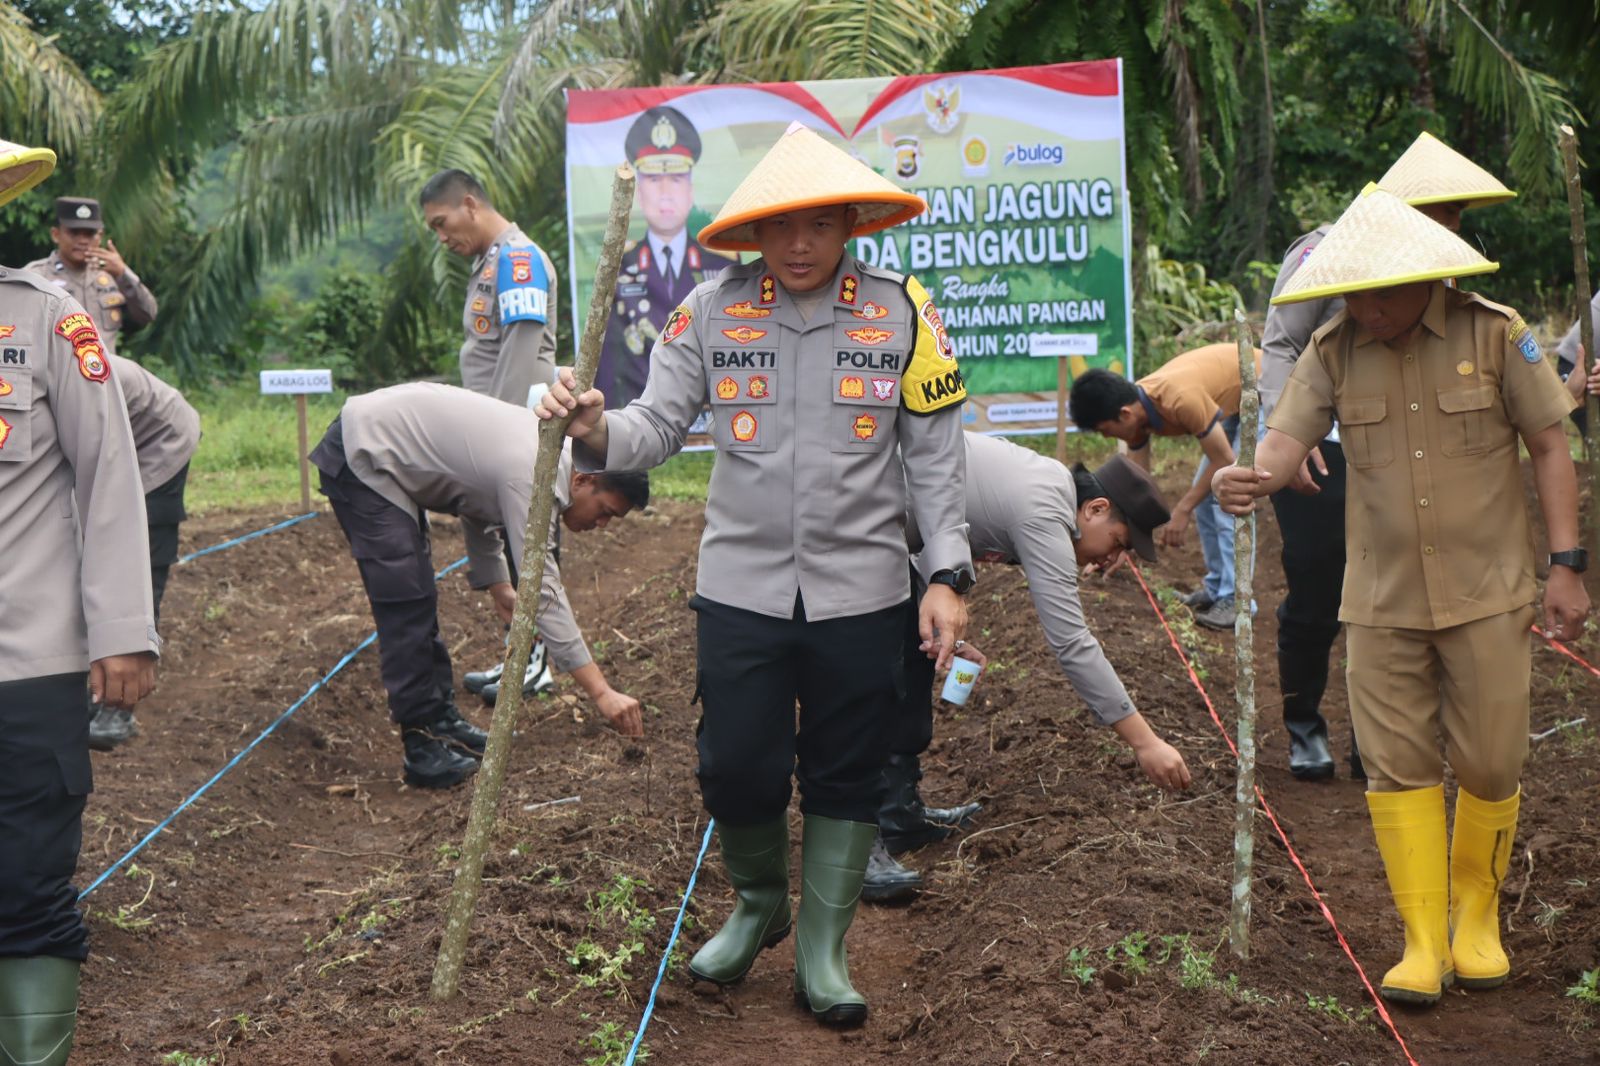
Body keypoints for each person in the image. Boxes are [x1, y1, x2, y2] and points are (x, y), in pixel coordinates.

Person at [537, 122, 970, 1027]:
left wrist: (945, 575)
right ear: (755, 235)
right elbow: (654, 427)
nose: (800, 245)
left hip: (864, 591)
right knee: (735, 764)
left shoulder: (904, 313)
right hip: (741, 587)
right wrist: (591, 427)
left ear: (851, 222)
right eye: (782, 228)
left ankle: (823, 945)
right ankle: (758, 900)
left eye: (819, 225)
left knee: (849, 770)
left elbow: (934, 458)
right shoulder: (709, 312)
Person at [1213, 186, 1588, 1008]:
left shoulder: (1496, 334)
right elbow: (1286, 437)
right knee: (1395, 769)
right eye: (1350, 292)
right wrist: (1252, 476)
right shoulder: (1336, 348)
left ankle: (1476, 917)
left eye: (1378, 293)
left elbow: (1551, 446)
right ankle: (1423, 940)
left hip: (1488, 593)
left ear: (1426, 277)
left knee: (1492, 761)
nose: (1364, 308)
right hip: (1379, 600)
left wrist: (1566, 563)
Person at [1259, 130, 1517, 782]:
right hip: (1323, 451)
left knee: (1395, 598)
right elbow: (1282, 343)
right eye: (1446, 213)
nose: (1455, 226)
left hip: (1407, 455)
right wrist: (1296, 433)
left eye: (1460, 215)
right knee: (1318, 587)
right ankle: (1305, 726)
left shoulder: (1444, 267)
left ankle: (1374, 740)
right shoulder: (1322, 250)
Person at [865, 441, 1193, 901]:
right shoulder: (1045, 512)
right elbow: (1071, 642)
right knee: (875, 683)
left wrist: (946, 630)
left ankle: (899, 815)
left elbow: (931, 542)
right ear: (1095, 509)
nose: (1108, 560)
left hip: (894, 538)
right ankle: (857, 842)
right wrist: (1145, 742)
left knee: (913, 657)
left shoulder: (1045, 487)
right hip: (858, 526)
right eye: (1117, 542)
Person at [0, 137, 160, 1065]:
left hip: (29, 661)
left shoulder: (50, 323)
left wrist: (124, 632)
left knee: (24, 882)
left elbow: (108, 480)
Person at [309, 382, 647, 789]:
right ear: (582, 482)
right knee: (405, 601)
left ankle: (441, 724)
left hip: (381, 438)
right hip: (363, 449)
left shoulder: (546, 454)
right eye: (606, 511)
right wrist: (602, 693)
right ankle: (423, 749)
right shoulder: (535, 470)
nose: (602, 525)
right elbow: (543, 592)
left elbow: (474, 496)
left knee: (416, 594)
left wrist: (497, 583)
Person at [419, 168, 562, 702]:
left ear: (470, 204)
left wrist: (494, 435)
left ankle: (538, 663)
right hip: (497, 427)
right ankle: (521, 656)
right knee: (508, 543)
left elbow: (521, 356)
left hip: (512, 429)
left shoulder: (518, 262)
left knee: (530, 544)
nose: (441, 237)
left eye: (442, 222)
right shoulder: (491, 263)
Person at [1068, 343, 1261, 630]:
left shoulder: (1180, 399)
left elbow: (1224, 459)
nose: (1109, 439)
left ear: (1124, 415)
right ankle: (1218, 587)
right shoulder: (1138, 413)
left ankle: (1238, 601)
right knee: (1209, 496)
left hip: (1264, 388)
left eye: (1106, 431)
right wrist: (1122, 540)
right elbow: (1135, 490)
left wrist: (1182, 510)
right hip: (1232, 400)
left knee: (1228, 494)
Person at [86, 354, 201, 751]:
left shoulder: (69, 366)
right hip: (112, 441)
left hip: (158, 441)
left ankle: (119, 707)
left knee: (136, 564)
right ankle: (87, 687)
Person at [597, 106, 737, 408]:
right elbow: (607, 358)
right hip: (638, 417)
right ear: (638, 192)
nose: (664, 193)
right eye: (652, 180)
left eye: (675, 180)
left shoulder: (723, 264)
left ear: (690, 190)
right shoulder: (617, 267)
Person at [23, 196, 158, 356]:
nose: (82, 241)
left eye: (90, 234)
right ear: (56, 234)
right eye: (74, 233)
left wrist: (123, 274)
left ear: (100, 236)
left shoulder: (112, 274)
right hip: (57, 377)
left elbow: (148, 314)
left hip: (106, 376)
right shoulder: (36, 276)